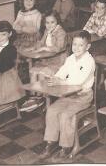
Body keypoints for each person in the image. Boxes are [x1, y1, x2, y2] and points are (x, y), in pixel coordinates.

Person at [39, 30, 95, 162]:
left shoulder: (89, 61)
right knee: (52, 110)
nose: (76, 47)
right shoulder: (70, 59)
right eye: (74, 44)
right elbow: (62, 72)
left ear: (87, 47)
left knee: (66, 115)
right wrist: (55, 78)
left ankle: (66, 147)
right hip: (68, 95)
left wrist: (61, 82)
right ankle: (50, 142)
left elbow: (78, 82)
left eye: (81, 45)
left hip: (83, 97)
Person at [21, 11, 67, 113]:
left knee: (42, 74)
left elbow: (58, 48)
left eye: (52, 22)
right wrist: (33, 48)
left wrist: (45, 48)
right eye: (47, 23)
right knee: (33, 71)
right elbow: (41, 43)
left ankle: (43, 99)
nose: (49, 25)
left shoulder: (61, 32)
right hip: (47, 60)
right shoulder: (47, 30)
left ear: (57, 22)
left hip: (58, 62)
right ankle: (34, 97)